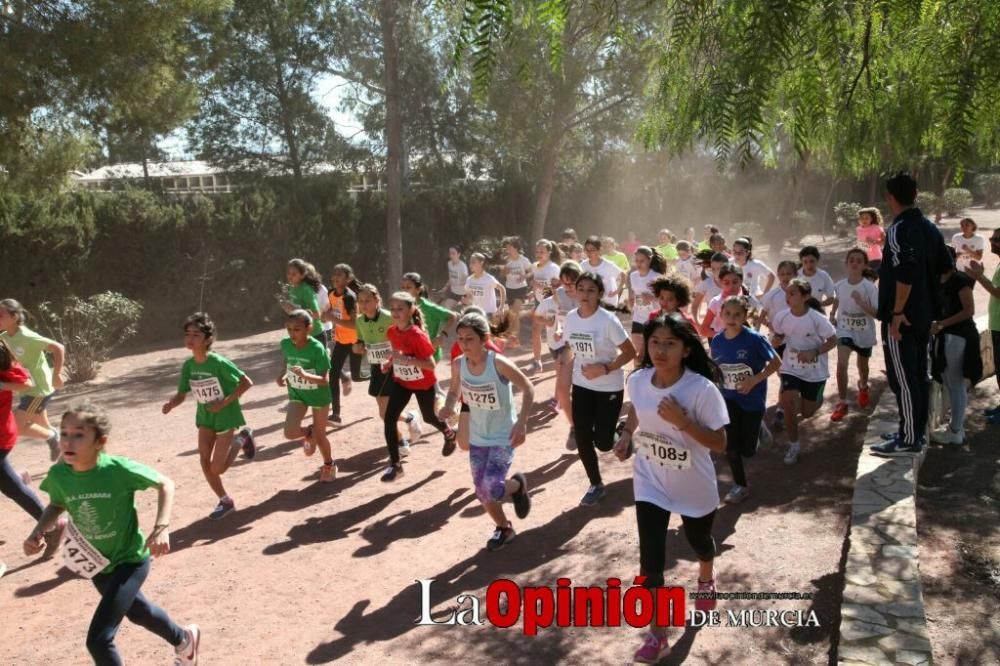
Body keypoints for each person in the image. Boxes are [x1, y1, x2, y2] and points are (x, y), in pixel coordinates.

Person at [25, 403, 200, 666]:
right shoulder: (59, 474)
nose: (68, 441)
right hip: (97, 563)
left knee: (99, 639)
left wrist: (161, 527)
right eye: (64, 433)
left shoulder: (117, 470)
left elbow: (165, 484)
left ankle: (183, 640)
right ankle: (184, 639)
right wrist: (39, 530)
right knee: (139, 612)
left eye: (79, 434)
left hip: (130, 560)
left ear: (100, 441)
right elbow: (56, 504)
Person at [612, 313, 727, 663]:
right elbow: (637, 411)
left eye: (670, 343)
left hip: (693, 484)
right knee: (650, 561)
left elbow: (720, 443)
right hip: (650, 480)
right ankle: (657, 632)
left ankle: (706, 577)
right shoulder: (638, 380)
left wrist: (684, 422)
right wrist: (627, 436)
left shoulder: (701, 390)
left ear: (687, 349)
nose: (660, 350)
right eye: (655, 342)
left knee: (699, 542)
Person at [871, 173, 953, 456]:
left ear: (889, 197)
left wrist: (897, 312)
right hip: (923, 316)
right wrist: (928, 302)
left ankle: (908, 439)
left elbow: (905, 272)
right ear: (916, 193)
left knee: (904, 379)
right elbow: (946, 269)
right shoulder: (930, 228)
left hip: (902, 320)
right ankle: (913, 430)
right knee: (918, 376)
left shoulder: (898, 229)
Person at [439, 313, 534, 552]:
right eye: (460, 339)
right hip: (478, 435)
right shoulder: (459, 364)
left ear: (484, 339)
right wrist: (448, 407)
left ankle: (516, 487)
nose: (464, 344)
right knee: (482, 491)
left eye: (470, 339)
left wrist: (522, 422)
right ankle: (504, 528)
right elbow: (453, 391)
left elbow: (528, 387)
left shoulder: (498, 363)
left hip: (503, 434)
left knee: (491, 486)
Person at [161, 313, 255, 520]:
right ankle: (225, 501)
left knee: (217, 468)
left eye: (196, 334)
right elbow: (181, 393)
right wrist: (171, 404)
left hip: (226, 416)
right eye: (187, 334)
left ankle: (242, 439)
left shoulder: (218, 362)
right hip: (205, 417)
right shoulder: (188, 365)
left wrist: (223, 402)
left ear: (207, 338)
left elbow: (246, 382)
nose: (190, 339)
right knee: (204, 462)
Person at [563, 272, 636, 505]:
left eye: (590, 290)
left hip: (608, 387)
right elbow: (570, 346)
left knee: (603, 443)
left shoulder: (607, 321)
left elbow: (630, 352)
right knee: (583, 436)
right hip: (582, 385)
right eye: (581, 288)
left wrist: (604, 368)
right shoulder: (571, 318)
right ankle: (596, 484)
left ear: (600, 294)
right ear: (575, 291)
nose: (585, 294)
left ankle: (621, 431)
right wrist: (564, 363)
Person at [379, 291, 458, 482]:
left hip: (423, 383)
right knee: (389, 418)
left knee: (430, 416)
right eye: (393, 309)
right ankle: (396, 466)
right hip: (403, 382)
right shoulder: (391, 331)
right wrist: (391, 362)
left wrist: (406, 360)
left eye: (401, 309)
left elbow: (430, 365)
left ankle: (449, 433)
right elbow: (398, 352)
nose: (396, 313)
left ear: (411, 310)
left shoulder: (417, 335)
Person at [710, 297, 780, 503]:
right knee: (731, 447)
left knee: (748, 450)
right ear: (721, 315)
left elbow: (776, 362)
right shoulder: (717, 341)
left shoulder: (754, 339)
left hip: (752, 400)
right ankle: (740, 485)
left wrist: (755, 380)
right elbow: (718, 368)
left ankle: (758, 428)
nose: (732, 318)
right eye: (728, 314)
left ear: (745, 316)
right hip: (729, 398)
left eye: (737, 314)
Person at [0, 339, 66, 559]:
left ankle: (53, 527)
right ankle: (16, 477)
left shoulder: (2, 354)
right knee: (9, 483)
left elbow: (26, 383)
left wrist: (1, 385)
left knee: (12, 488)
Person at [771, 279, 837, 464]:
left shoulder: (817, 319)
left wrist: (813, 352)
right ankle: (794, 445)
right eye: (787, 293)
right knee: (788, 402)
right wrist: (776, 341)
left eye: (793, 293)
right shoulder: (781, 316)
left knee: (807, 413)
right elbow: (779, 335)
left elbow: (833, 340)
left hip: (815, 370)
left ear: (805, 296)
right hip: (790, 368)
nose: (788, 297)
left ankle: (816, 398)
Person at [353, 284, 423, 456]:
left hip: (393, 366)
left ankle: (400, 441)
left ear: (377, 300)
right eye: (360, 301)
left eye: (367, 300)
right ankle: (410, 418)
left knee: (385, 412)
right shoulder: (359, 321)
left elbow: (405, 333)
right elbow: (360, 341)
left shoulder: (388, 317)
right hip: (376, 367)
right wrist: (358, 347)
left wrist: (398, 351)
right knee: (383, 410)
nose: (363, 304)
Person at [0, 298, 65, 461]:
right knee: (43, 426)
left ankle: (52, 437)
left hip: (38, 390)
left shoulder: (28, 336)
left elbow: (58, 347)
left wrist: (57, 374)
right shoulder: (5, 336)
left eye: (1, 315)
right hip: (26, 390)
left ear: (15, 317)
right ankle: (69, 453)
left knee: (16, 426)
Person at [277, 310, 336, 483]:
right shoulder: (286, 344)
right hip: (298, 394)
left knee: (321, 435)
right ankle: (310, 432)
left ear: (308, 328)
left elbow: (324, 380)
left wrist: (305, 375)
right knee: (289, 432)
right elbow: (287, 360)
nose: (292, 333)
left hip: (318, 395)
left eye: (296, 329)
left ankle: (329, 464)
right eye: (289, 329)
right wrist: (281, 375)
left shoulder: (317, 349)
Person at [929, 247, 979, 444]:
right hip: (946, 336)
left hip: (959, 336)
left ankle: (956, 431)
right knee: (950, 383)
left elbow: (969, 310)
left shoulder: (959, 280)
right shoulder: (938, 282)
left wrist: (942, 324)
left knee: (956, 384)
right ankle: (955, 427)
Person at [829, 250, 879, 422]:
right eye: (851, 260)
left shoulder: (870, 287)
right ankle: (842, 403)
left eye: (859, 261)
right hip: (844, 329)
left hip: (864, 332)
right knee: (841, 364)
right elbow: (837, 299)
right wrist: (833, 314)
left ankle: (863, 386)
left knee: (862, 365)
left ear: (865, 265)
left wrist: (861, 303)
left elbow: (876, 313)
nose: (854, 263)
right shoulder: (840, 285)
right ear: (846, 263)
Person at [534, 261, 582, 422]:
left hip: (574, 342)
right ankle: (565, 393)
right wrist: (548, 323)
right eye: (565, 283)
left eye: (572, 283)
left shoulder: (584, 296)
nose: (569, 287)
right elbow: (538, 315)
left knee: (561, 367)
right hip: (554, 342)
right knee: (561, 371)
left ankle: (558, 400)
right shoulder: (556, 297)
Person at [965, 227, 1000, 424]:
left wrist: (979, 276)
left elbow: (998, 292)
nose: (992, 241)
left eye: (997, 239)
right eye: (992, 238)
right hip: (996, 325)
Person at [326, 264, 367, 423]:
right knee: (333, 374)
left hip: (355, 341)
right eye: (334, 274)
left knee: (357, 377)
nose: (336, 277)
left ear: (348, 279)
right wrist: (330, 333)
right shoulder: (331, 294)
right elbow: (330, 315)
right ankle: (336, 414)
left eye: (340, 275)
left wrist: (333, 319)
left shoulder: (350, 297)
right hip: (341, 342)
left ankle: (377, 375)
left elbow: (354, 324)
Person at [627, 247, 667, 365]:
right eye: (637, 260)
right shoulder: (633, 275)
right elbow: (633, 293)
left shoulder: (657, 277)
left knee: (648, 351)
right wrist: (630, 303)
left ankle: (648, 370)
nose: (638, 264)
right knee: (638, 351)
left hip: (653, 317)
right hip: (638, 315)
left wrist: (651, 298)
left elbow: (666, 299)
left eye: (642, 261)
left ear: (649, 260)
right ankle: (637, 373)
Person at [528, 240, 563, 374]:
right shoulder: (534, 266)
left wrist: (539, 287)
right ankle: (537, 362)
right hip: (539, 302)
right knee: (535, 330)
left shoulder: (554, 268)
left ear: (549, 252)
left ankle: (561, 361)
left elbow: (559, 289)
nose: (539, 254)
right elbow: (537, 284)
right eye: (537, 251)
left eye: (542, 252)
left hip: (552, 303)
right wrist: (533, 292)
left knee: (553, 334)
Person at [282, 259, 326, 344]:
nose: (290, 276)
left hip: (316, 335)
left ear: (302, 275)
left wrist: (295, 310)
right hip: (302, 335)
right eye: (288, 273)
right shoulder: (291, 288)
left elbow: (317, 314)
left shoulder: (306, 290)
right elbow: (297, 311)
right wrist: (288, 309)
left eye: (294, 274)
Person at [501, 237, 533, 347]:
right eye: (507, 247)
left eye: (509, 247)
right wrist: (505, 271)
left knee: (514, 313)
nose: (507, 249)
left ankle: (510, 336)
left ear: (516, 248)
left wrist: (524, 276)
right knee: (514, 315)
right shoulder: (506, 260)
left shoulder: (523, 260)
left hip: (521, 288)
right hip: (509, 288)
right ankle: (515, 339)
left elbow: (531, 271)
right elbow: (503, 275)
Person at [582, 236, 625, 308]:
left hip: (609, 301)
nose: (589, 253)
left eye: (592, 250)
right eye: (587, 250)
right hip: (591, 300)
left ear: (599, 250)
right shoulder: (583, 265)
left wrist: (617, 290)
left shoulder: (608, 265)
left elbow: (623, 275)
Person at [464, 253, 506, 321]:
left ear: (481, 263)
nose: (470, 265)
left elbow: (502, 289)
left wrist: (501, 307)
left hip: (489, 314)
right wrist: (467, 301)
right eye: (470, 262)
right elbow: (469, 297)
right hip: (476, 314)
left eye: (473, 262)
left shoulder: (488, 278)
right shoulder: (469, 280)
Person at [691, 253, 727, 321]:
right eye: (713, 269)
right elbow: (695, 305)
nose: (716, 272)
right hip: (712, 327)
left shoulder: (735, 283)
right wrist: (697, 323)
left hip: (732, 327)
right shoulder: (706, 283)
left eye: (719, 269)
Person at [857, 207, 886, 272]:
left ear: (871, 219)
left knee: (876, 279)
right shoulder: (858, 229)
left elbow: (885, 242)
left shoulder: (877, 228)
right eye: (862, 218)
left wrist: (874, 241)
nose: (864, 220)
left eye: (867, 218)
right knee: (867, 280)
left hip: (876, 259)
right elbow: (860, 244)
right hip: (863, 260)